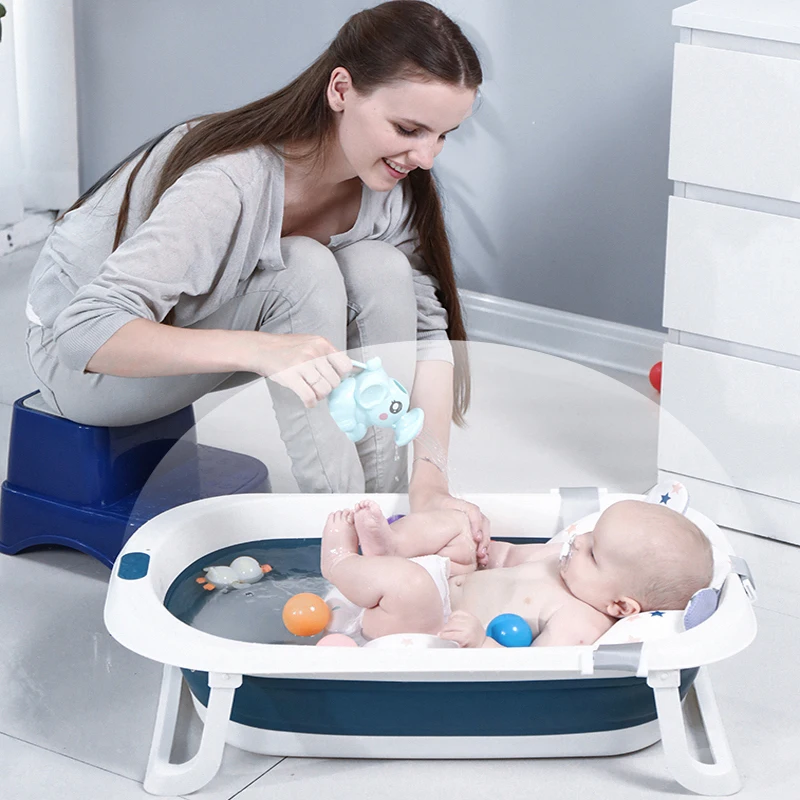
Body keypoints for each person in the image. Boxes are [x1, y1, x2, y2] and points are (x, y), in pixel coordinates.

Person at [24, 0, 489, 538]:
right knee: (303, 270)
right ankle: (342, 530)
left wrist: (431, 481)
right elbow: (82, 333)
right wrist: (262, 350)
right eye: (408, 129)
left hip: (182, 332)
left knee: (382, 268)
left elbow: (427, 337)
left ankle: (384, 513)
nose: (426, 157)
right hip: (83, 368)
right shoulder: (229, 182)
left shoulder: (392, 193)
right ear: (341, 90)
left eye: (442, 135)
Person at [320, 499, 715, 647]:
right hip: (441, 577)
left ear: (621, 606)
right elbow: (505, 556)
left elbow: (535, 669)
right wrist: (480, 547)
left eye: (594, 552)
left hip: (424, 623)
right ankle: (390, 549)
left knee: (413, 585)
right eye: (590, 533)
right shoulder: (565, 560)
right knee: (456, 524)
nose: (578, 541)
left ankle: (339, 562)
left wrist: (481, 643)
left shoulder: (580, 623)